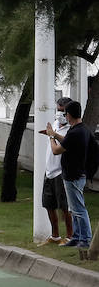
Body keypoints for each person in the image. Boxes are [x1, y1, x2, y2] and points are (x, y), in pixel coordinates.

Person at [45, 99, 92, 251]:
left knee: (78, 209)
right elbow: (67, 141)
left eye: (65, 113)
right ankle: (77, 237)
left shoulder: (76, 131)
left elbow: (56, 150)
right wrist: (56, 134)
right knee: (74, 208)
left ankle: (86, 238)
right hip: (75, 174)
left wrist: (51, 137)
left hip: (74, 176)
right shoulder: (81, 129)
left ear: (69, 115)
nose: (64, 116)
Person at [38, 96, 73, 245]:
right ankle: (55, 236)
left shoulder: (71, 130)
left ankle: (70, 236)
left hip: (61, 172)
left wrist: (53, 135)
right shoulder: (55, 124)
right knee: (48, 204)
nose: (59, 114)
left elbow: (62, 145)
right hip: (49, 171)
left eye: (62, 111)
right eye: (58, 110)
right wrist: (49, 133)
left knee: (65, 207)